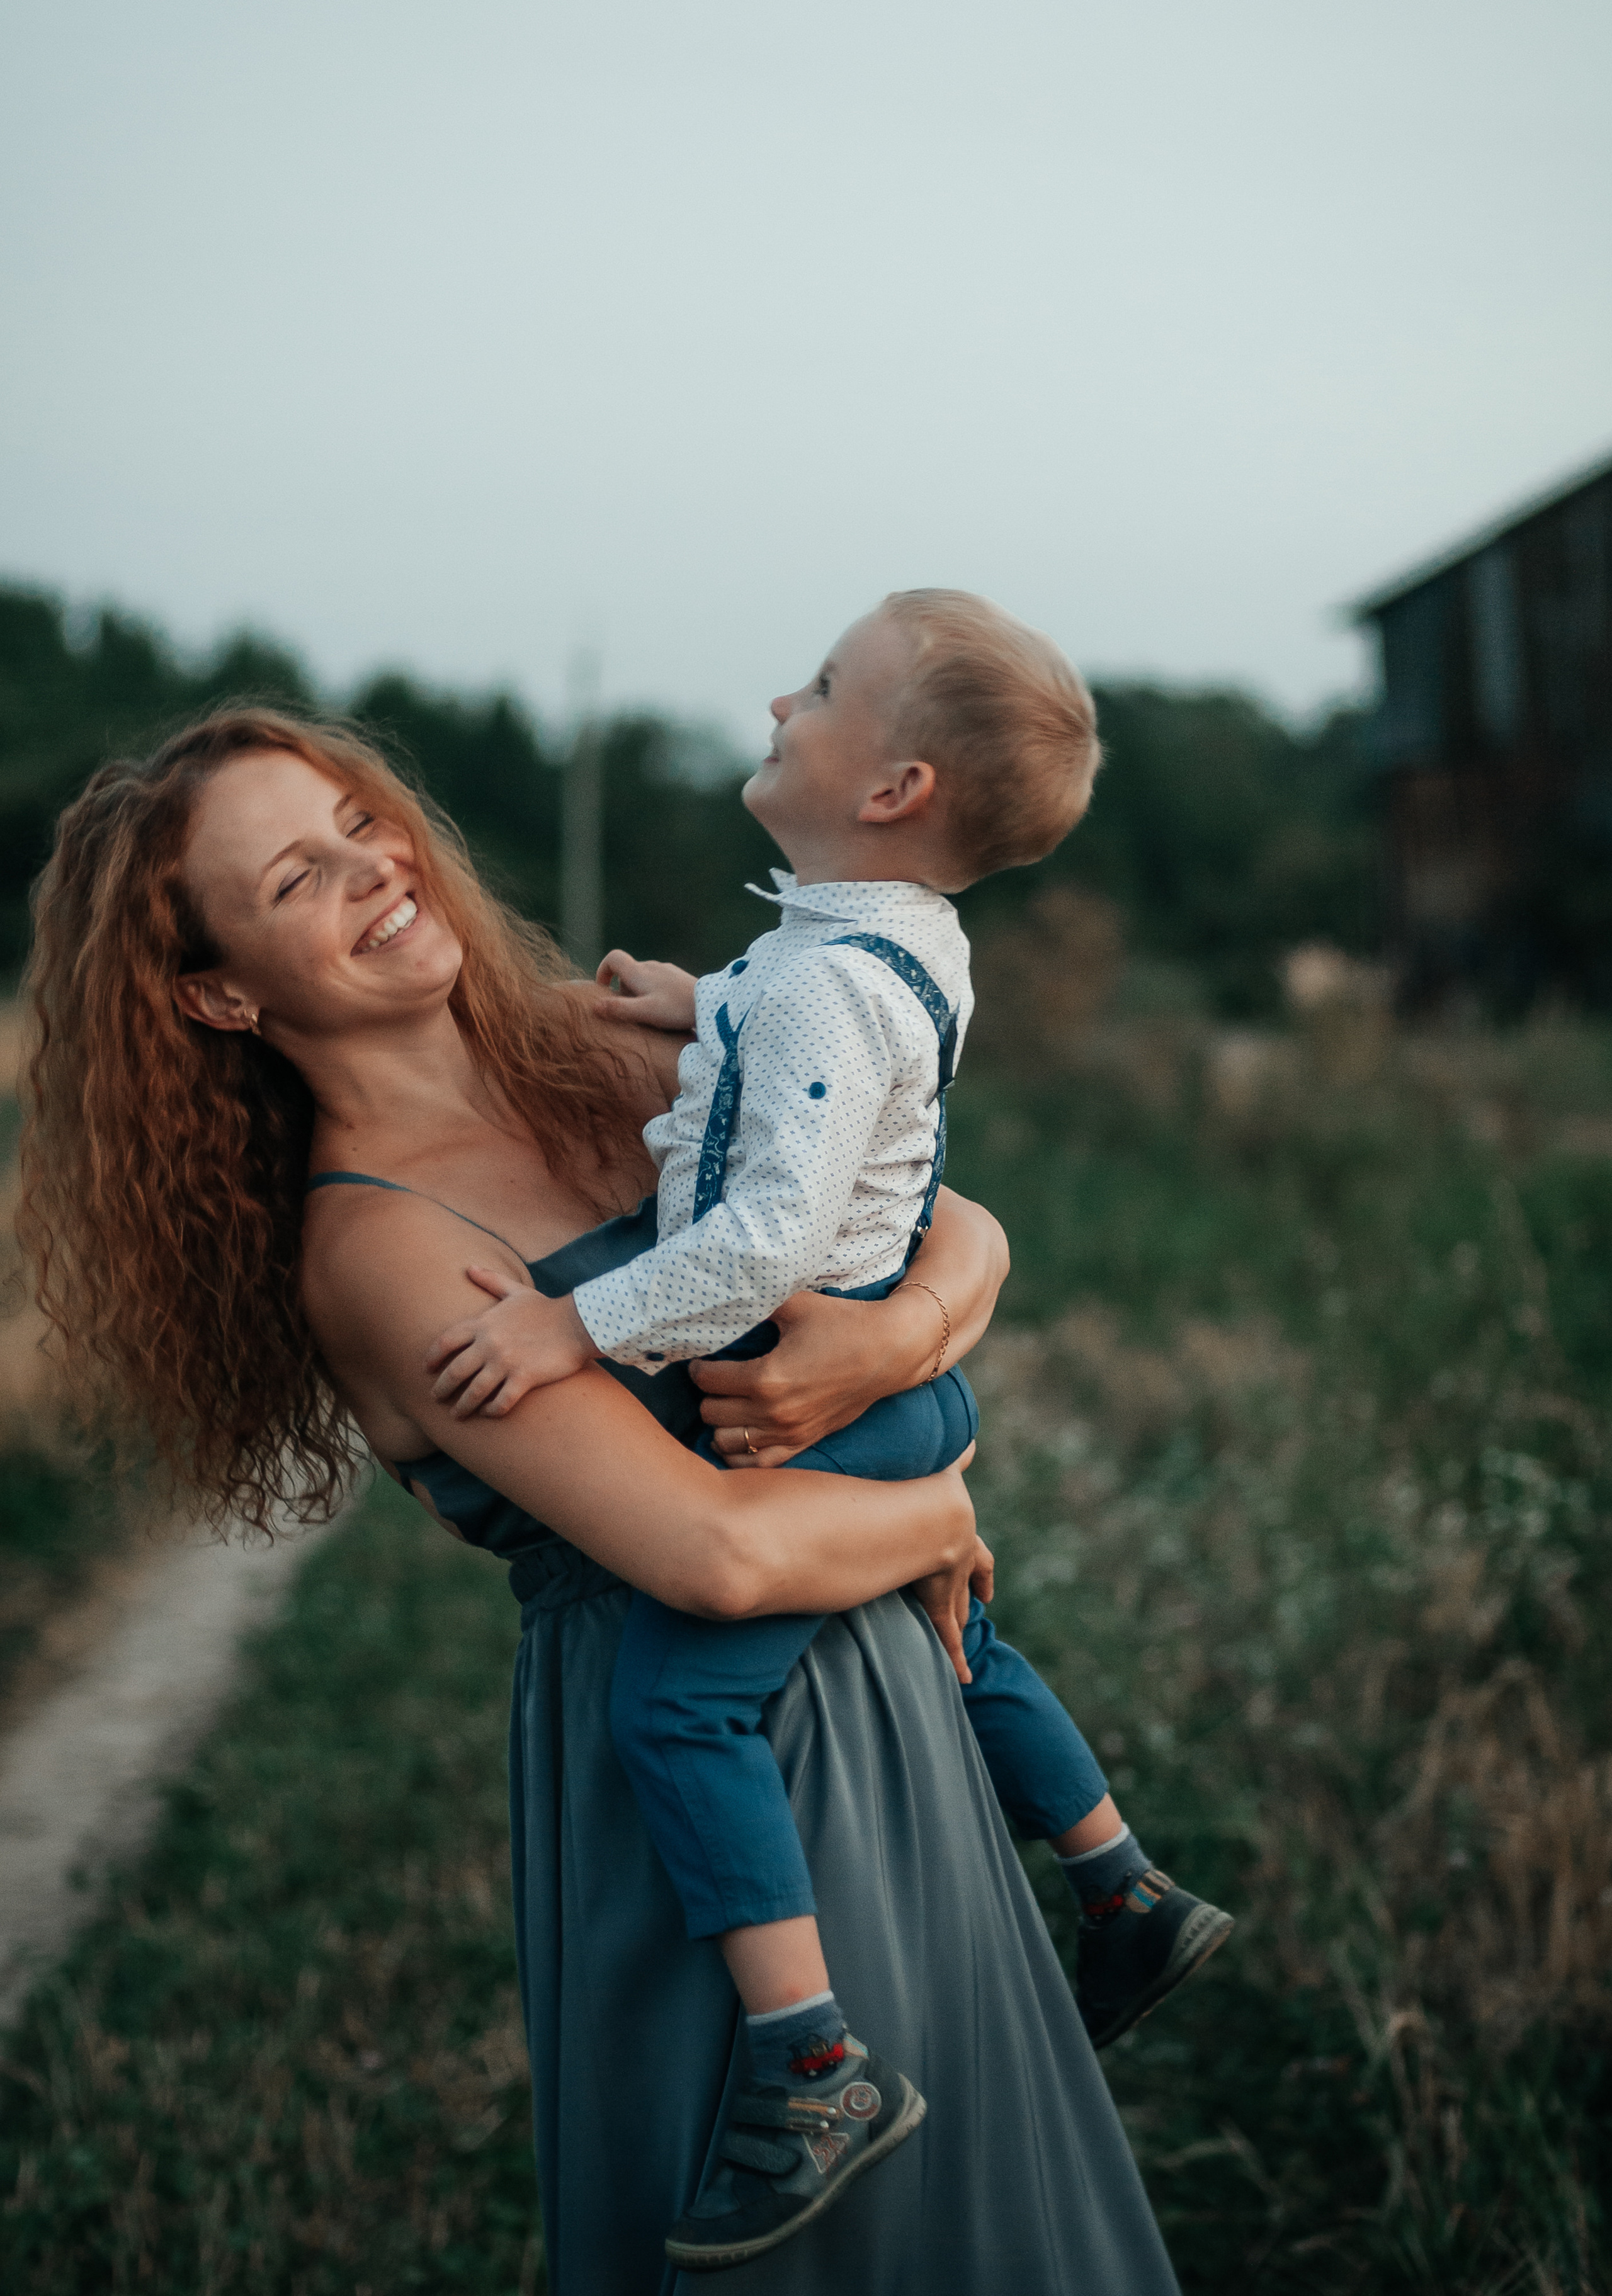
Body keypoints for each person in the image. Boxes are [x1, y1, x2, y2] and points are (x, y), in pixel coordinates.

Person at [19, 703, 1183, 2295]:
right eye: (296, 879)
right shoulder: (380, 1245)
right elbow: (712, 1556)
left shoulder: (614, 1051)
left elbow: (951, 1222)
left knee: (982, 2209)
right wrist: (933, 1516)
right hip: (701, 1786)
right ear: (221, 993)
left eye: (360, 822)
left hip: (895, 1695)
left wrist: (888, 1340)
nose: (374, 870)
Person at [424, 591, 1231, 2266]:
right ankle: (1122, 1886)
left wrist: (570, 1321)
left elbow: (761, 1241)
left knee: (674, 1707)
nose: (779, 704)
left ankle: (809, 2070)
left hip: (817, 1390)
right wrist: (695, 1010)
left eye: (819, 688)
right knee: (956, 1638)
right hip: (891, 1382)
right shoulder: (875, 942)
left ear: (892, 787)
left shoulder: (820, 989)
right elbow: (811, 1040)